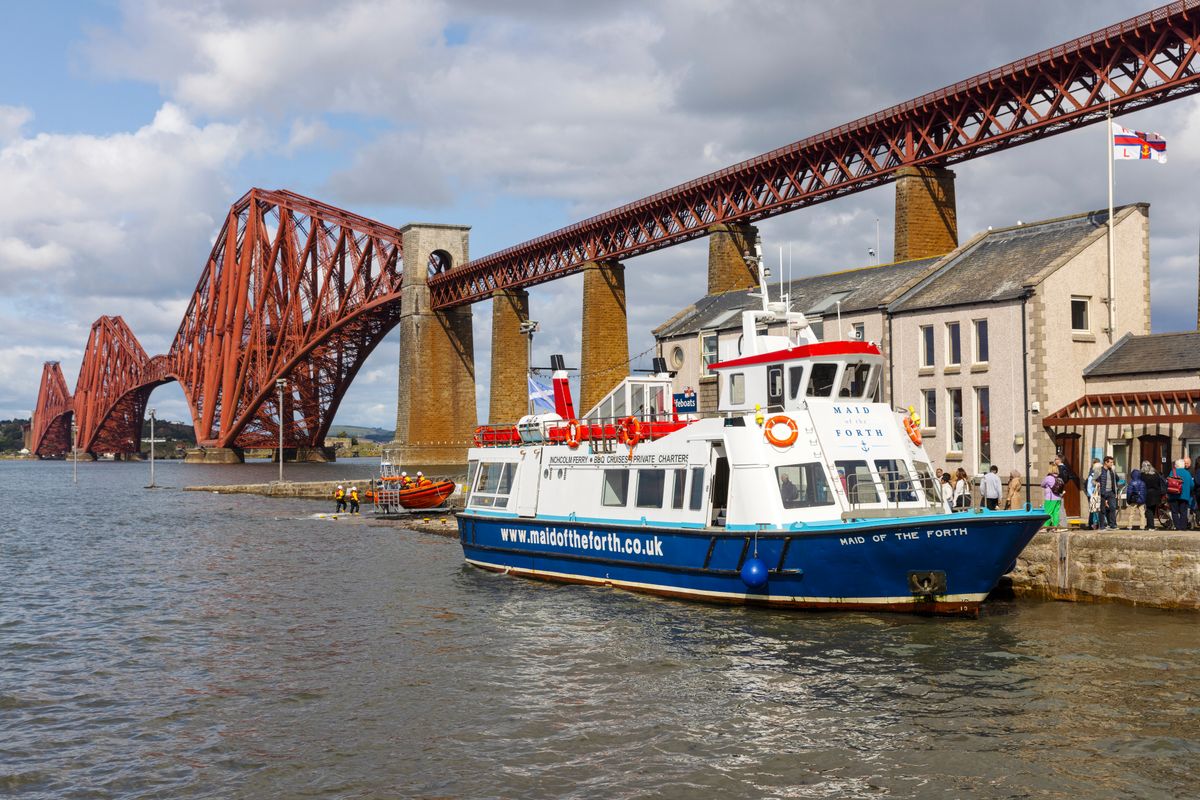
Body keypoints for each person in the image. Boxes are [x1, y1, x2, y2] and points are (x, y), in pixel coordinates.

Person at [1167, 459, 1193, 531]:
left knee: (1174, 512)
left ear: (1176, 465)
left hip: (1173, 495)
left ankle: (1178, 527)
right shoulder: (1187, 473)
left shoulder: (1172, 472)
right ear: (1183, 465)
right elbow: (1192, 485)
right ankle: (1183, 527)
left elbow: (1168, 483)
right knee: (1183, 512)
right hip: (1184, 496)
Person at [1097, 456, 1119, 530]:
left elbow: (1117, 479)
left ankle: (1113, 524)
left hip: (1111, 492)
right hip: (1103, 492)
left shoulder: (1112, 470)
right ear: (1106, 462)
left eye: (1112, 462)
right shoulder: (1099, 470)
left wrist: (1114, 472)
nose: (1112, 464)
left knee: (1113, 508)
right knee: (1102, 509)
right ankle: (1102, 525)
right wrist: (1097, 483)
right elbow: (1093, 480)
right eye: (1111, 462)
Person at [1142, 461, 1165, 530]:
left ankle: (1150, 526)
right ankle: (1150, 525)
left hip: (1148, 494)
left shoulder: (1143, 475)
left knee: (1149, 510)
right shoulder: (1156, 474)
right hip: (1156, 494)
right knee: (1152, 510)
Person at [1085, 459, 1102, 529]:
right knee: (1094, 510)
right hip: (1093, 495)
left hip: (1097, 495)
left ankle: (1094, 523)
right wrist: (1092, 495)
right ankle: (1093, 524)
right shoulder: (1091, 476)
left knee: (1096, 510)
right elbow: (1089, 487)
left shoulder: (1098, 476)